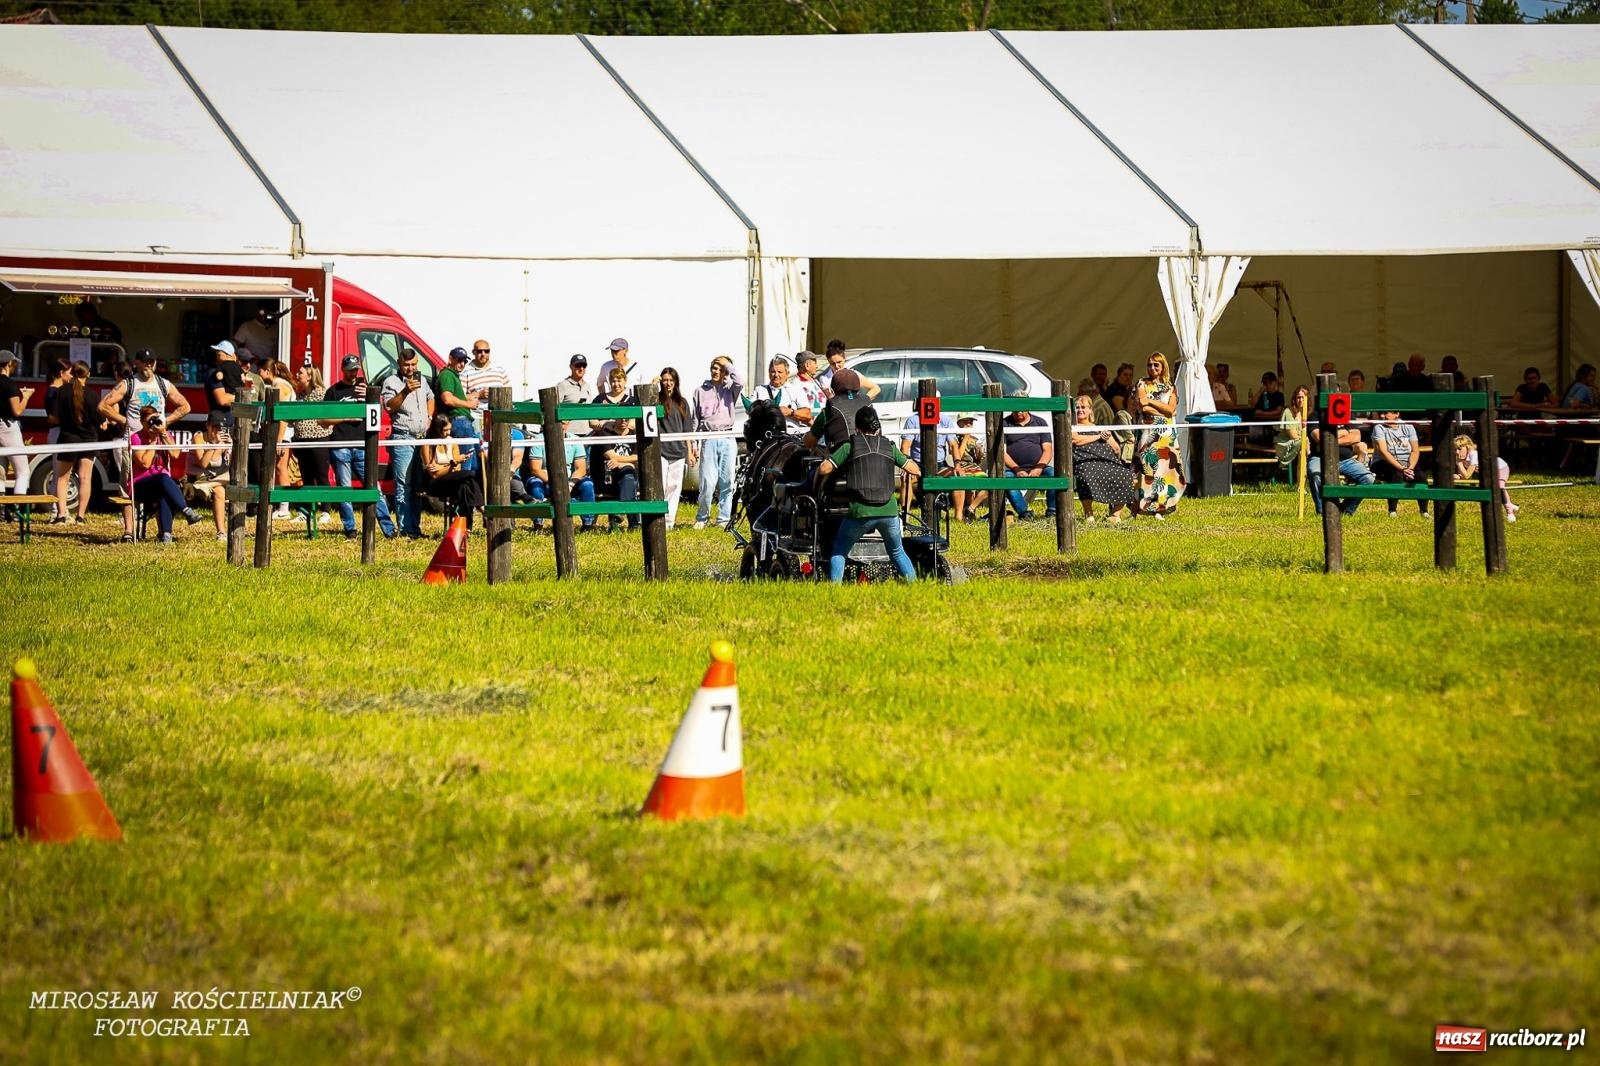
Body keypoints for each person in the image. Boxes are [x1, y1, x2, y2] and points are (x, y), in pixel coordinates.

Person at [816, 405, 920, 583]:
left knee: (840, 550)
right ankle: (915, 586)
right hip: (889, 512)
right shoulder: (889, 446)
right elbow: (914, 469)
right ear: (878, 428)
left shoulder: (850, 446)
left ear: (856, 428)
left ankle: (833, 589)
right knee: (896, 551)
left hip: (860, 512)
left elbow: (824, 469)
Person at [97, 349, 190, 541]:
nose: (148, 365)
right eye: (145, 361)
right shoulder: (129, 383)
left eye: (152, 361)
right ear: (136, 363)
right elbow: (103, 406)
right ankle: (129, 532)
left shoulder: (164, 384)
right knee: (127, 489)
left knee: (162, 482)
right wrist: (124, 421)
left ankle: (164, 532)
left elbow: (185, 406)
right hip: (133, 442)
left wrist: (166, 422)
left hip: (158, 442)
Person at [324, 355, 396, 540]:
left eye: (356, 369)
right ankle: (351, 529)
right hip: (340, 445)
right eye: (350, 369)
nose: (353, 373)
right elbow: (323, 420)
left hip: (363, 446)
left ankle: (388, 529)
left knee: (375, 488)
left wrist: (371, 398)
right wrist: (346, 418)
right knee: (344, 489)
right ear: (343, 370)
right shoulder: (333, 391)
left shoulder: (367, 391)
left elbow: (378, 415)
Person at [129, 406, 204, 543]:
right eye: (149, 422)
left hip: (161, 483)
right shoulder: (136, 438)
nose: (153, 425)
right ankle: (186, 511)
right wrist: (152, 442)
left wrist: (163, 433)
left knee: (164, 491)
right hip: (141, 484)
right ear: (141, 422)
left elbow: (175, 454)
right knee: (164, 479)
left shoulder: (163, 434)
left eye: (156, 420)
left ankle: (166, 536)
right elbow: (144, 464)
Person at [382, 348, 433, 539]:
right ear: (398, 363)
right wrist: (405, 391)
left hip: (421, 438)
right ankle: (405, 529)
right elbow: (389, 406)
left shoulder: (423, 380)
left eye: (413, 364)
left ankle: (415, 527)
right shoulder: (391, 382)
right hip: (402, 438)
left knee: (418, 486)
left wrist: (428, 417)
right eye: (406, 365)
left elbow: (431, 397)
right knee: (404, 485)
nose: (410, 368)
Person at [1132, 352, 1184, 518]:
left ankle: (1161, 507)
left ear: (1163, 367)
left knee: (1165, 470)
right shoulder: (1142, 383)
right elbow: (1143, 406)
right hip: (1148, 433)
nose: (1152, 368)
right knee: (1147, 468)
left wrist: (1152, 402)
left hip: (1167, 435)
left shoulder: (1171, 387)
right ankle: (1142, 505)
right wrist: (1163, 408)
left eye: (1156, 365)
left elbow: (1171, 410)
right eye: (1149, 364)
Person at [693, 355, 741, 529]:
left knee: (727, 480)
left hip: (727, 436)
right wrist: (693, 445)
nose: (716, 371)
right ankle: (702, 516)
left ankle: (723, 518)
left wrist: (727, 365)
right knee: (707, 481)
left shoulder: (731, 389)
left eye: (720, 368)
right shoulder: (700, 390)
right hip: (709, 437)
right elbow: (695, 421)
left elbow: (740, 380)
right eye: (714, 367)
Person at [48, 361, 99, 526]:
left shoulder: (61, 392)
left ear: (72, 373)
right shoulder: (93, 395)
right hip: (89, 439)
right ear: (88, 374)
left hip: (68, 437)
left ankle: (62, 514)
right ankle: (81, 516)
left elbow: (53, 417)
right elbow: (100, 421)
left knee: (62, 478)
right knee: (85, 478)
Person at [1071, 394, 1133, 524]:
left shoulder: (1098, 427)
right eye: (1077, 408)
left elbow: (1116, 448)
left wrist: (1108, 439)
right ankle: (1089, 514)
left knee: (1125, 474)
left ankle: (1115, 515)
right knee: (1086, 474)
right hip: (1085, 461)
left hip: (1105, 460)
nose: (1080, 410)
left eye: (1083, 407)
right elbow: (1076, 440)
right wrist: (1099, 437)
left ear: (1090, 410)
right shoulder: (1072, 427)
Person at [421, 415, 485, 529]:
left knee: (465, 487)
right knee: (469, 474)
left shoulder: (452, 441)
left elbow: (457, 469)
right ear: (437, 429)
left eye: (450, 429)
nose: (448, 433)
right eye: (445, 430)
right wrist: (452, 464)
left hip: (453, 480)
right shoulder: (428, 444)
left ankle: (466, 528)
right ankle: (482, 508)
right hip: (436, 484)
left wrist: (444, 467)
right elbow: (434, 475)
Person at [1001, 394, 1055, 521]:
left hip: (1039, 466)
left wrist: (1038, 468)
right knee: (1007, 479)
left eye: (1021, 408)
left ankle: (1052, 511)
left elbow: (1047, 450)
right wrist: (1017, 469)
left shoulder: (1040, 422)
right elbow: (1002, 452)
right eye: (1015, 408)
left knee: (1054, 474)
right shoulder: (1005, 423)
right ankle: (1024, 512)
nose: (1018, 411)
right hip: (1013, 468)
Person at [291, 364, 333, 522]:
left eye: (300, 372)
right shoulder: (300, 395)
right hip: (301, 440)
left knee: (321, 475)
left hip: (319, 439)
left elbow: (325, 414)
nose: (297, 374)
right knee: (306, 476)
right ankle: (307, 511)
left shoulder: (321, 394)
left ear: (309, 376)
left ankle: (326, 511)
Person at [1307, 421, 1376, 515]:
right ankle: (1323, 512)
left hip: (1345, 460)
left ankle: (1346, 509)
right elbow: (1320, 438)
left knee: (1368, 479)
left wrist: (1329, 441)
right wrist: (1345, 433)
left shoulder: (1346, 412)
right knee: (1316, 475)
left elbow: (1356, 437)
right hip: (1320, 458)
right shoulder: (1315, 413)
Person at [259, 358, 298, 518]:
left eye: (260, 370)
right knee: (278, 468)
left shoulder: (279, 386)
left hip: (284, 433)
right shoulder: (277, 384)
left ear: (267, 371)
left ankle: (284, 508)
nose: (258, 374)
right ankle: (280, 505)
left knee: (282, 468)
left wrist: (279, 440)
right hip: (279, 434)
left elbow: (282, 416)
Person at [656, 367, 694, 529]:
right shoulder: (656, 400)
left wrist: (690, 452)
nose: (668, 383)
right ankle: (658, 519)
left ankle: (669, 522)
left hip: (679, 452)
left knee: (675, 487)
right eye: (665, 380)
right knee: (662, 486)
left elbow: (687, 429)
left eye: (671, 380)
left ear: (676, 382)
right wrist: (653, 384)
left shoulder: (682, 402)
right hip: (662, 451)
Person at [1371, 409, 1426, 517]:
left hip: (1407, 462)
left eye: (1386, 413)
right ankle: (1392, 510)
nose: (1382, 415)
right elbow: (1384, 452)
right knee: (1396, 474)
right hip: (1384, 462)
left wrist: (1410, 468)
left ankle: (1424, 511)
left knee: (1421, 476)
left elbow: (1415, 450)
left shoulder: (1408, 427)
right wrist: (1402, 469)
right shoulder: (1379, 428)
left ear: (1397, 414)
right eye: (1381, 413)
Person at [1454, 433, 1516, 522]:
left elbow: (1467, 476)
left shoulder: (1473, 455)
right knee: (1495, 489)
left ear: (1467, 447)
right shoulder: (1464, 458)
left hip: (1500, 468)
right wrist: (1459, 476)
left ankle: (1510, 511)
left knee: (1500, 487)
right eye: (1456, 449)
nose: (1457, 452)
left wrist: (1459, 463)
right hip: (1489, 472)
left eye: (1459, 449)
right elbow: (1465, 475)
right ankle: (1510, 504)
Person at [0, 353, 34, 513]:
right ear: (9, 364)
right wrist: (26, 397)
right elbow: (17, 411)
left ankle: (0, 509)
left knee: (0, 468)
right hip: (7, 426)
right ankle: (17, 510)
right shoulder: (9, 385)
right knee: (22, 470)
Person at [592, 416, 639, 533]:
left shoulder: (634, 435)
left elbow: (638, 457)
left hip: (628, 475)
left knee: (628, 476)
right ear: (615, 419)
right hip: (608, 477)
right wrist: (629, 462)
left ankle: (620, 513)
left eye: (627, 419)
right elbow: (610, 456)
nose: (624, 421)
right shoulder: (605, 434)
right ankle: (634, 524)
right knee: (629, 478)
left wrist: (622, 462)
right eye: (621, 418)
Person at [186, 419, 231, 539]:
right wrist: (215, 445)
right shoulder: (199, 437)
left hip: (213, 479)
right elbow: (204, 463)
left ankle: (221, 533)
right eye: (215, 426)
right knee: (220, 490)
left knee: (233, 476)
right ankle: (221, 532)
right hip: (197, 478)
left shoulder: (224, 440)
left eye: (220, 428)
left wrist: (230, 447)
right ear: (208, 425)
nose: (217, 430)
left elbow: (224, 464)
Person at [946, 415, 988, 522]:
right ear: (959, 424)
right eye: (966, 422)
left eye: (971, 422)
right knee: (967, 484)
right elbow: (958, 456)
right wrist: (965, 437)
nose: (969, 424)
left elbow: (977, 460)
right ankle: (967, 510)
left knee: (989, 485)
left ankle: (970, 509)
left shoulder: (975, 440)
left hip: (974, 467)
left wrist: (979, 455)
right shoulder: (954, 439)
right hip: (961, 467)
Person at [462, 339, 509, 426]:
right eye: (479, 351)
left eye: (486, 351)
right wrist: (479, 394)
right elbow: (460, 398)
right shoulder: (466, 372)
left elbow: (508, 395)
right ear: (473, 352)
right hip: (477, 418)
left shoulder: (500, 370)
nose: (483, 354)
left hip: (499, 418)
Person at [780, 351, 827, 434]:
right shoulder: (795, 385)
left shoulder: (816, 382)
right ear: (807, 365)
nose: (817, 366)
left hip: (823, 428)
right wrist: (815, 427)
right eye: (815, 363)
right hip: (808, 431)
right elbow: (799, 412)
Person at [204, 340, 244, 430]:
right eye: (217, 354)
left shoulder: (236, 372)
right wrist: (245, 398)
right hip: (221, 424)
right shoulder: (214, 373)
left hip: (237, 425)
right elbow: (223, 400)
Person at [556, 353, 595, 435]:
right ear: (571, 367)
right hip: (570, 433)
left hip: (587, 433)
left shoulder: (587, 386)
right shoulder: (563, 385)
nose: (581, 368)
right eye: (578, 365)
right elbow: (554, 408)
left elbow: (590, 409)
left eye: (583, 366)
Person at [1275, 385, 1310, 473]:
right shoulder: (1288, 412)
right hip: (1286, 444)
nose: (1301, 400)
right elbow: (1293, 436)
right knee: (1304, 442)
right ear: (1294, 399)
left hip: (1301, 443)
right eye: (1298, 397)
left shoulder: (1307, 413)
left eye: (1303, 398)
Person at [438, 346, 476, 420]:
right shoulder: (447, 375)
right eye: (459, 360)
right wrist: (468, 404)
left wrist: (468, 397)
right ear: (450, 359)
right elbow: (447, 399)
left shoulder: (453, 375)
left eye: (465, 361)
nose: (462, 364)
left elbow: (454, 397)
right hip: (458, 419)